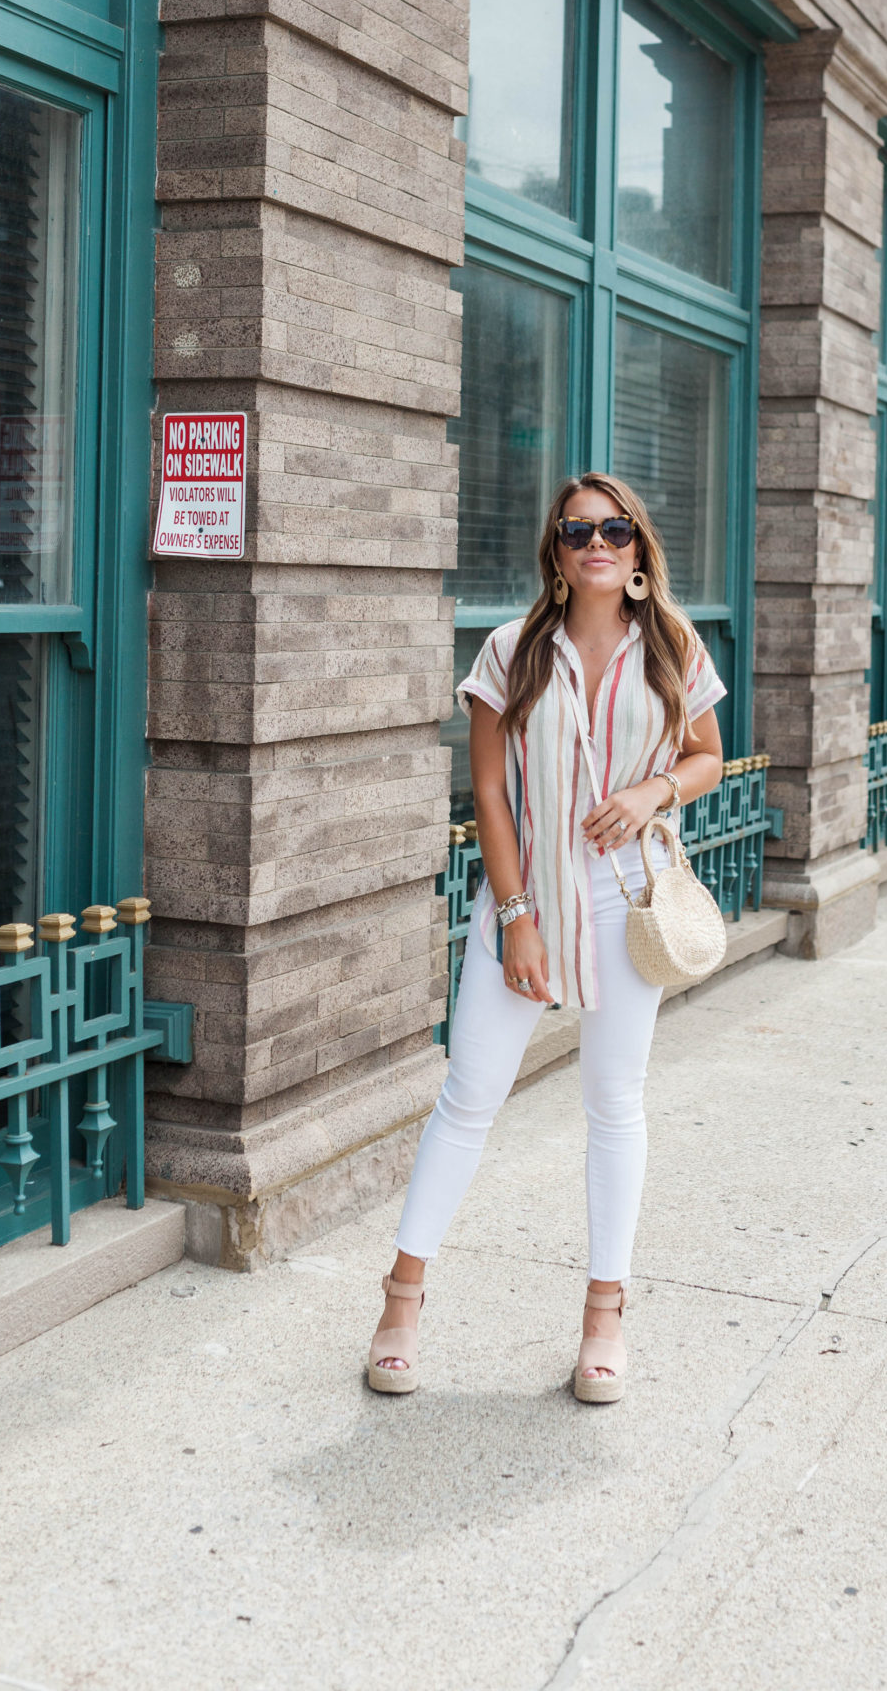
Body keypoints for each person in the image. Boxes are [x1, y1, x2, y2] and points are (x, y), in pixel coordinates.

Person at [367, 472, 725, 1403]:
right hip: (528, 902)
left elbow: (709, 756)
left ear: (639, 549)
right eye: (577, 532)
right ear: (557, 553)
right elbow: (487, 791)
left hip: (626, 903)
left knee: (615, 1103)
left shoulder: (673, 647)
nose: (596, 544)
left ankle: (604, 1315)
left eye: (614, 530)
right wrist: (515, 916)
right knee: (470, 1097)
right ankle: (401, 1301)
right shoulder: (511, 651)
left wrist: (655, 792)